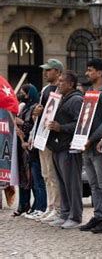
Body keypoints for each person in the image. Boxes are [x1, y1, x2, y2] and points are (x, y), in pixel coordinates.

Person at [79, 58, 102, 233]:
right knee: (93, 183)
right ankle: (98, 214)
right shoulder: (90, 92)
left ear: (99, 73)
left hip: (98, 144)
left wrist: (92, 139)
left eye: (90, 70)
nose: (87, 73)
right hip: (87, 144)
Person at [47, 71, 84, 229]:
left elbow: (80, 124)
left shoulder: (76, 100)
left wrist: (60, 127)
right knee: (62, 183)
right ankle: (65, 213)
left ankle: (75, 216)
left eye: (62, 81)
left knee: (71, 183)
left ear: (70, 84)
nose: (59, 83)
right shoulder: (61, 99)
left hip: (68, 147)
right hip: (58, 146)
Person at [36, 58, 63, 223]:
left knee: (52, 176)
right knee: (45, 175)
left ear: (58, 72)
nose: (46, 72)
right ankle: (49, 206)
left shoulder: (60, 90)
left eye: (49, 70)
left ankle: (57, 208)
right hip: (42, 136)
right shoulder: (45, 89)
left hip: (52, 138)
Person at [14, 84, 47, 218]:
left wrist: (21, 124)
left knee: (35, 179)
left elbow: (33, 127)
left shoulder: (35, 108)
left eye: (24, 93)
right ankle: (24, 205)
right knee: (24, 179)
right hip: (22, 147)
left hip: (30, 147)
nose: (22, 95)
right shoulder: (24, 107)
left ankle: (39, 206)